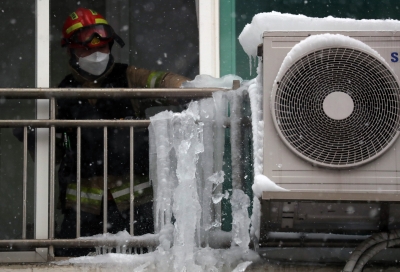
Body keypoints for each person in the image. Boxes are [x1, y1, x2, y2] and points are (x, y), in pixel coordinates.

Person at [55, 7, 190, 256]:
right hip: (82, 209)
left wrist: (192, 88)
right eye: (88, 48)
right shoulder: (63, 92)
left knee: (141, 259)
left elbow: (163, 81)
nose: (97, 54)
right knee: (72, 260)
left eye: (103, 47)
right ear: (72, 50)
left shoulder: (129, 77)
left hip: (133, 202)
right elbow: (55, 150)